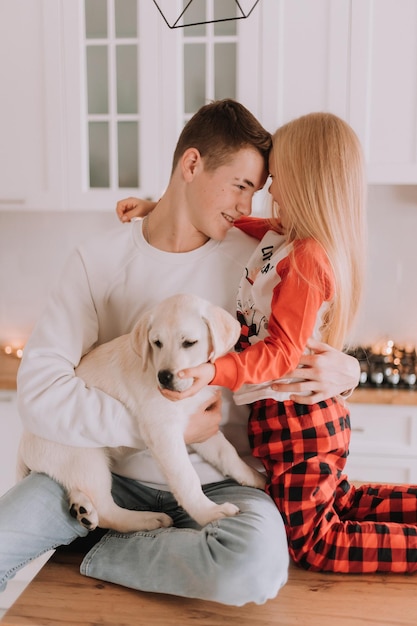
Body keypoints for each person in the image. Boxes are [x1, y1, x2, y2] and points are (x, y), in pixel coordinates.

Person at [0, 100, 359, 605]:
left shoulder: (260, 258)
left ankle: (99, 545)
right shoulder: (98, 260)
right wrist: (165, 428)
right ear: (191, 165)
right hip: (106, 470)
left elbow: (293, 346)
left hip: (220, 482)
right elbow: (37, 397)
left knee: (253, 568)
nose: (248, 208)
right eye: (239, 186)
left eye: (256, 191)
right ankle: (109, 518)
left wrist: (349, 371)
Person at [135, 112, 417, 575]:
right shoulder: (285, 238)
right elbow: (242, 220)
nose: (269, 189)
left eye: (277, 177)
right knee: (345, 501)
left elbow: (282, 352)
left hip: (295, 420)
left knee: (315, 543)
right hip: (287, 419)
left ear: (305, 181)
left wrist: (214, 370)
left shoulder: (308, 259)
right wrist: (158, 208)